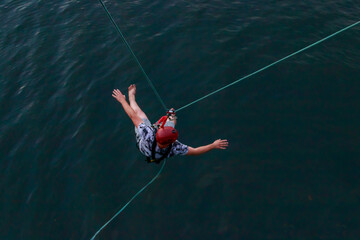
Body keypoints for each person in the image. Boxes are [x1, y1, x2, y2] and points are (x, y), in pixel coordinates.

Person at [112, 84, 228, 163]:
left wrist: (123, 100)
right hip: (152, 153)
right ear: (172, 140)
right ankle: (172, 115)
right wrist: (213, 145)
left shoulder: (148, 134)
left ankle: (132, 97)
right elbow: (196, 151)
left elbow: (132, 115)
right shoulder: (175, 148)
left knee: (138, 113)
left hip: (143, 142)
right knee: (171, 119)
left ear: (158, 134)